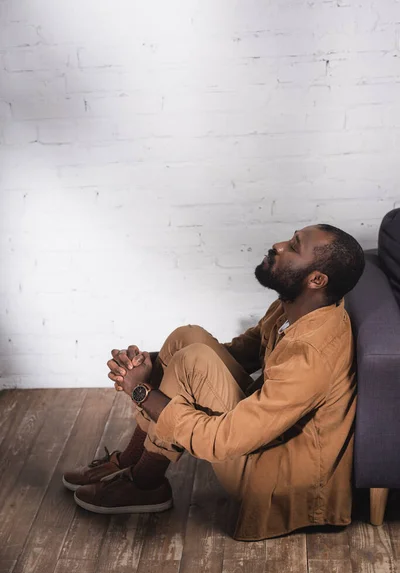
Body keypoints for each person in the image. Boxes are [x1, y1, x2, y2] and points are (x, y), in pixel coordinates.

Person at [63, 223, 365, 540]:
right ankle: (129, 463)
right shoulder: (294, 306)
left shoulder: (311, 355)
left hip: (282, 480)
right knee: (187, 339)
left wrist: (142, 390)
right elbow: (243, 352)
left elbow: (222, 441)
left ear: (317, 280)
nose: (277, 245)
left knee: (193, 361)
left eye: (293, 246)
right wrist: (150, 362)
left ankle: (144, 482)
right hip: (265, 434)